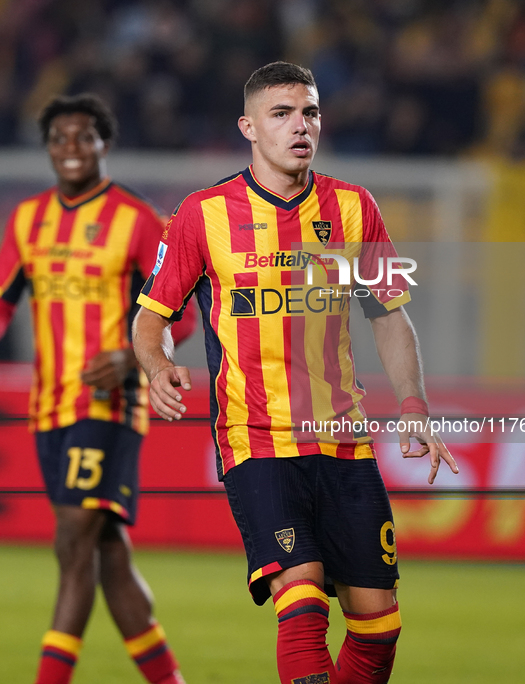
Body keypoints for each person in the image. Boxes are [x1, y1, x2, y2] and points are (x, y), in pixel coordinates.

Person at [132, 62, 459, 684]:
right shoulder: (203, 215)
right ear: (248, 127)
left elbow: (389, 316)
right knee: (302, 596)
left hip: (344, 440)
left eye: (309, 111)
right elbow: (149, 318)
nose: (299, 125)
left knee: (378, 625)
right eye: (281, 114)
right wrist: (157, 364)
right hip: (257, 439)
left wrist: (414, 406)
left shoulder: (355, 209)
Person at [0, 94, 196, 684]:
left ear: (103, 144)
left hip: (109, 405)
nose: (70, 148)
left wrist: (132, 358)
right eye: (59, 138)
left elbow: (181, 311)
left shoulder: (136, 220)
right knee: (107, 551)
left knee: (72, 540)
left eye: (83, 137)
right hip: (49, 406)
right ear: (48, 147)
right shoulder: (27, 220)